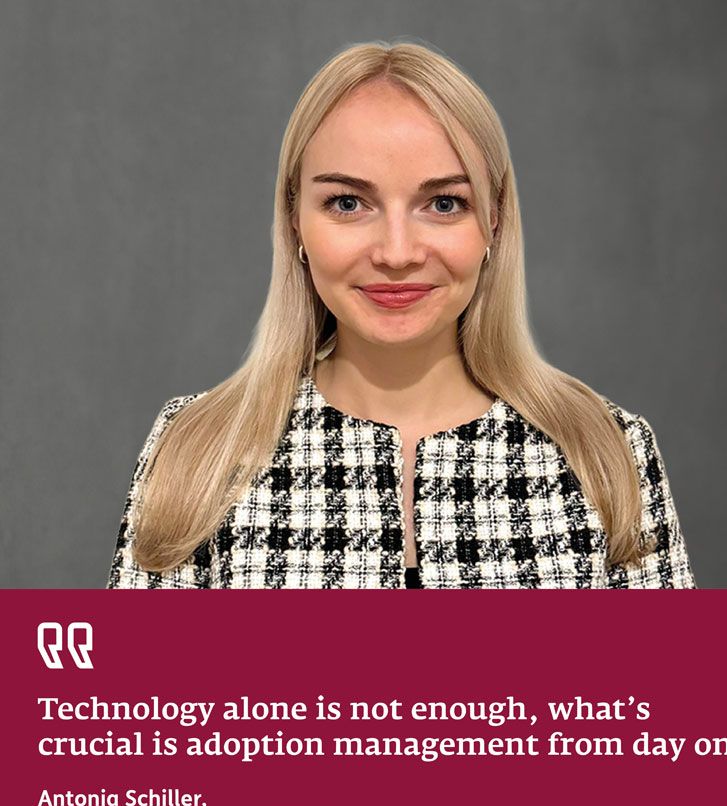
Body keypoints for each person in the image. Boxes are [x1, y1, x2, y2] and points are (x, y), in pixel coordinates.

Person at [107, 40, 696, 590]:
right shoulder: (195, 453)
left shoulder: (609, 455)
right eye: (347, 203)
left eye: (443, 203)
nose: (396, 253)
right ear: (295, 222)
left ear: (494, 220)